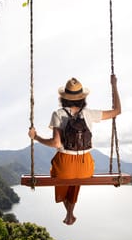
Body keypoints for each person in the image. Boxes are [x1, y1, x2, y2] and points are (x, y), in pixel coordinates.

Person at [28, 75, 121, 225]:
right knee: (75, 179)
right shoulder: (89, 114)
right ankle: (70, 213)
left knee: (62, 177)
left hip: (65, 164)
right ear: (82, 97)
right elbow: (117, 111)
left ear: (63, 97)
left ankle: (69, 213)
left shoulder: (58, 113)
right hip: (86, 165)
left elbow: (56, 143)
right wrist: (114, 85)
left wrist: (36, 137)